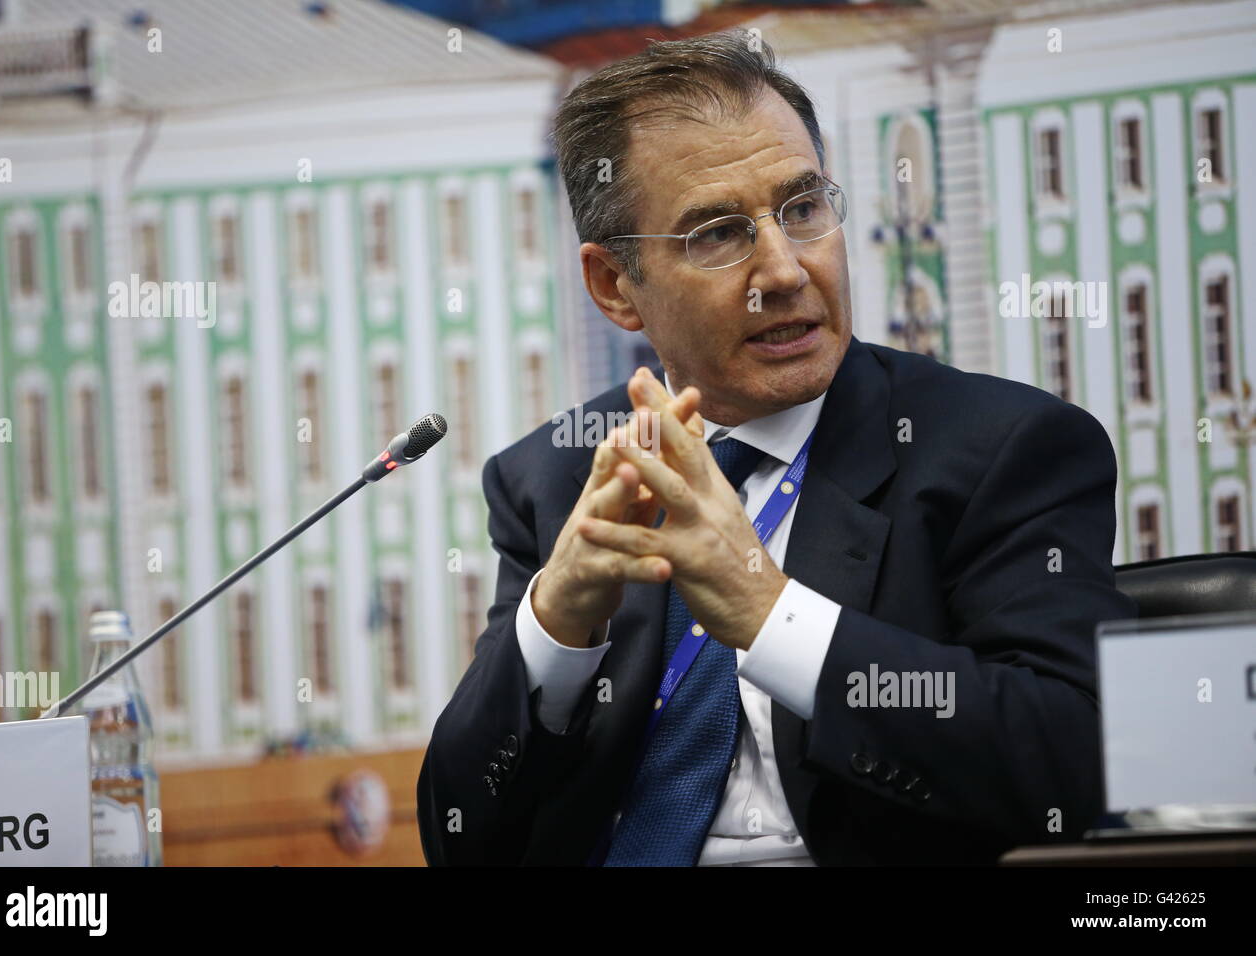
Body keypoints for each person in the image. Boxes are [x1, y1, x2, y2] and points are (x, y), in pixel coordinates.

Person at [416, 30, 1138, 866]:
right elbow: (459, 839)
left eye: (802, 209)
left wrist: (767, 613)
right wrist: (555, 632)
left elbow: (1079, 759)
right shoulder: (558, 475)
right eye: (719, 234)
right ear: (615, 287)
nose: (786, 269)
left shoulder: (999, 451)